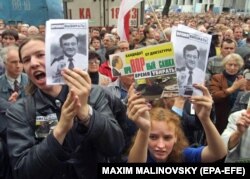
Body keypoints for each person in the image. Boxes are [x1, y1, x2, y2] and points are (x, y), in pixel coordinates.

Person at [6, 36, 124, 179]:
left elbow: (115, 146)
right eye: (26, 60)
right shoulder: (19, 111)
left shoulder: (93, 94)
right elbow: (23, 171)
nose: (33, 63)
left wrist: (86, 114)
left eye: (40, 55)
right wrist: (60, 130)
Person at [127, 83, 227, 163]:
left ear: (176, 137)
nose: (161, 145)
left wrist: (205, 119)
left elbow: (218, 153)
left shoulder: (184, 156)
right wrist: (144, 130)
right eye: (153, 137)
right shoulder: (141, 154)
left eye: (167, 137)